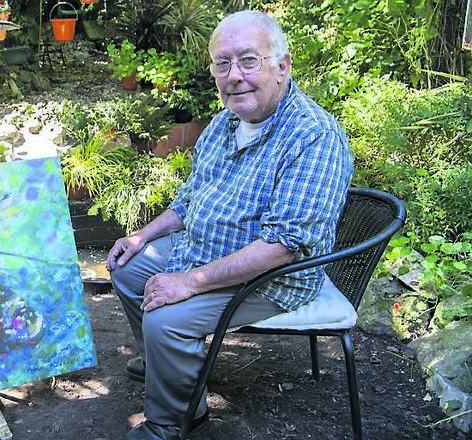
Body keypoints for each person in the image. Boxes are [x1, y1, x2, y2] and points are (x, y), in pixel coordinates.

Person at [106, 10, 354, 440]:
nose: (234, 75)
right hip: (207, 247)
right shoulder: (225, 123)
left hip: (273, 276)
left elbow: (281, 247)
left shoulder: (313, 136)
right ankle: (167, 365)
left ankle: (176, 420)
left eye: (248, 60)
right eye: (223, 63)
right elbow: (190, 200)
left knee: (167, 319)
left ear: (283, 65)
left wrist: (189, 283)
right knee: (127, 268)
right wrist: (141, 235)